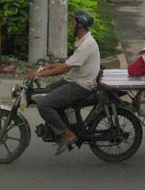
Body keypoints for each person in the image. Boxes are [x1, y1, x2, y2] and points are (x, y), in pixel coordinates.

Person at [28, 9, 100, 156]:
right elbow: (69, 63)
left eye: (73, 22)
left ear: (80, 25)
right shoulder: (82, 41)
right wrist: (49, 66)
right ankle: (68, 124)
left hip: (80, 85)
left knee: (44, 104)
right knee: (47, 91)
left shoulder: (87, 45)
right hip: (74, 79)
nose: (71, 25)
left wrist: (40, 74)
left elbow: (65, 68)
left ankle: (67, 134)